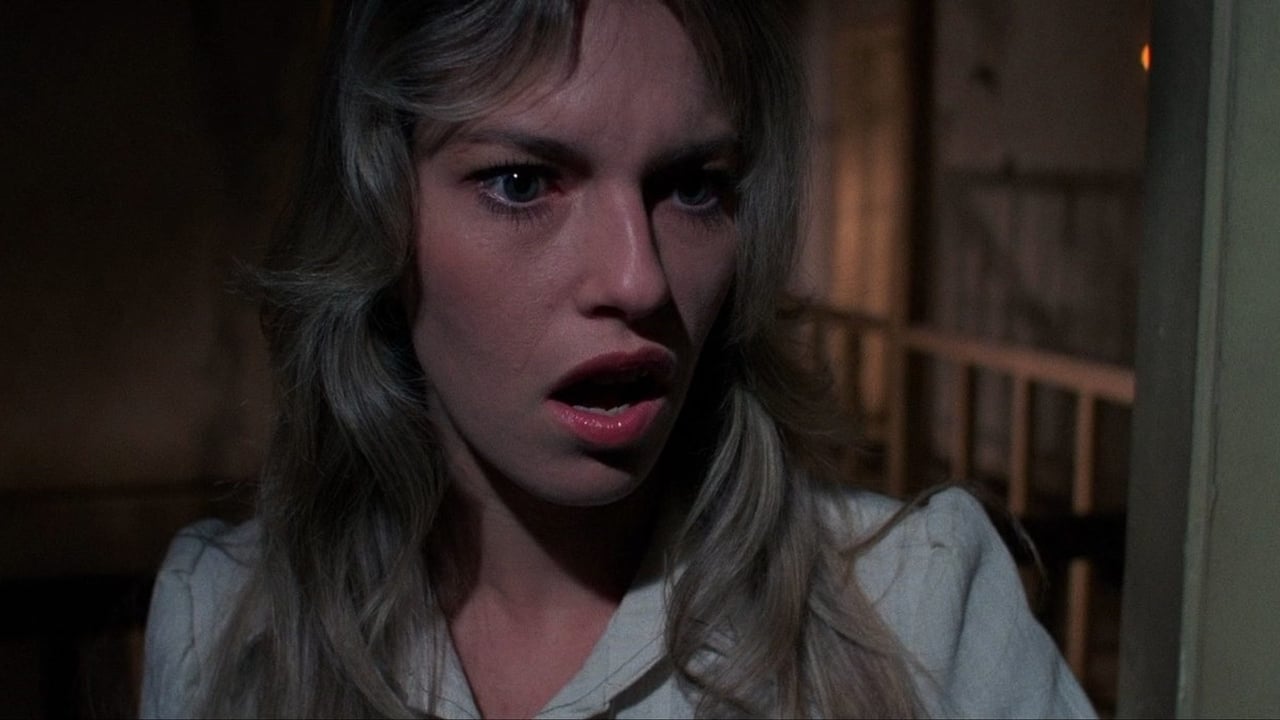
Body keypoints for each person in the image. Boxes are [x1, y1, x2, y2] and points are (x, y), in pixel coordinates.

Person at [140, 0, 1096, 717]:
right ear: (377, 215)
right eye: (523, 183)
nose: (639, 281)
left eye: (693, 188)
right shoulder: (226, 621)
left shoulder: (917, 609)